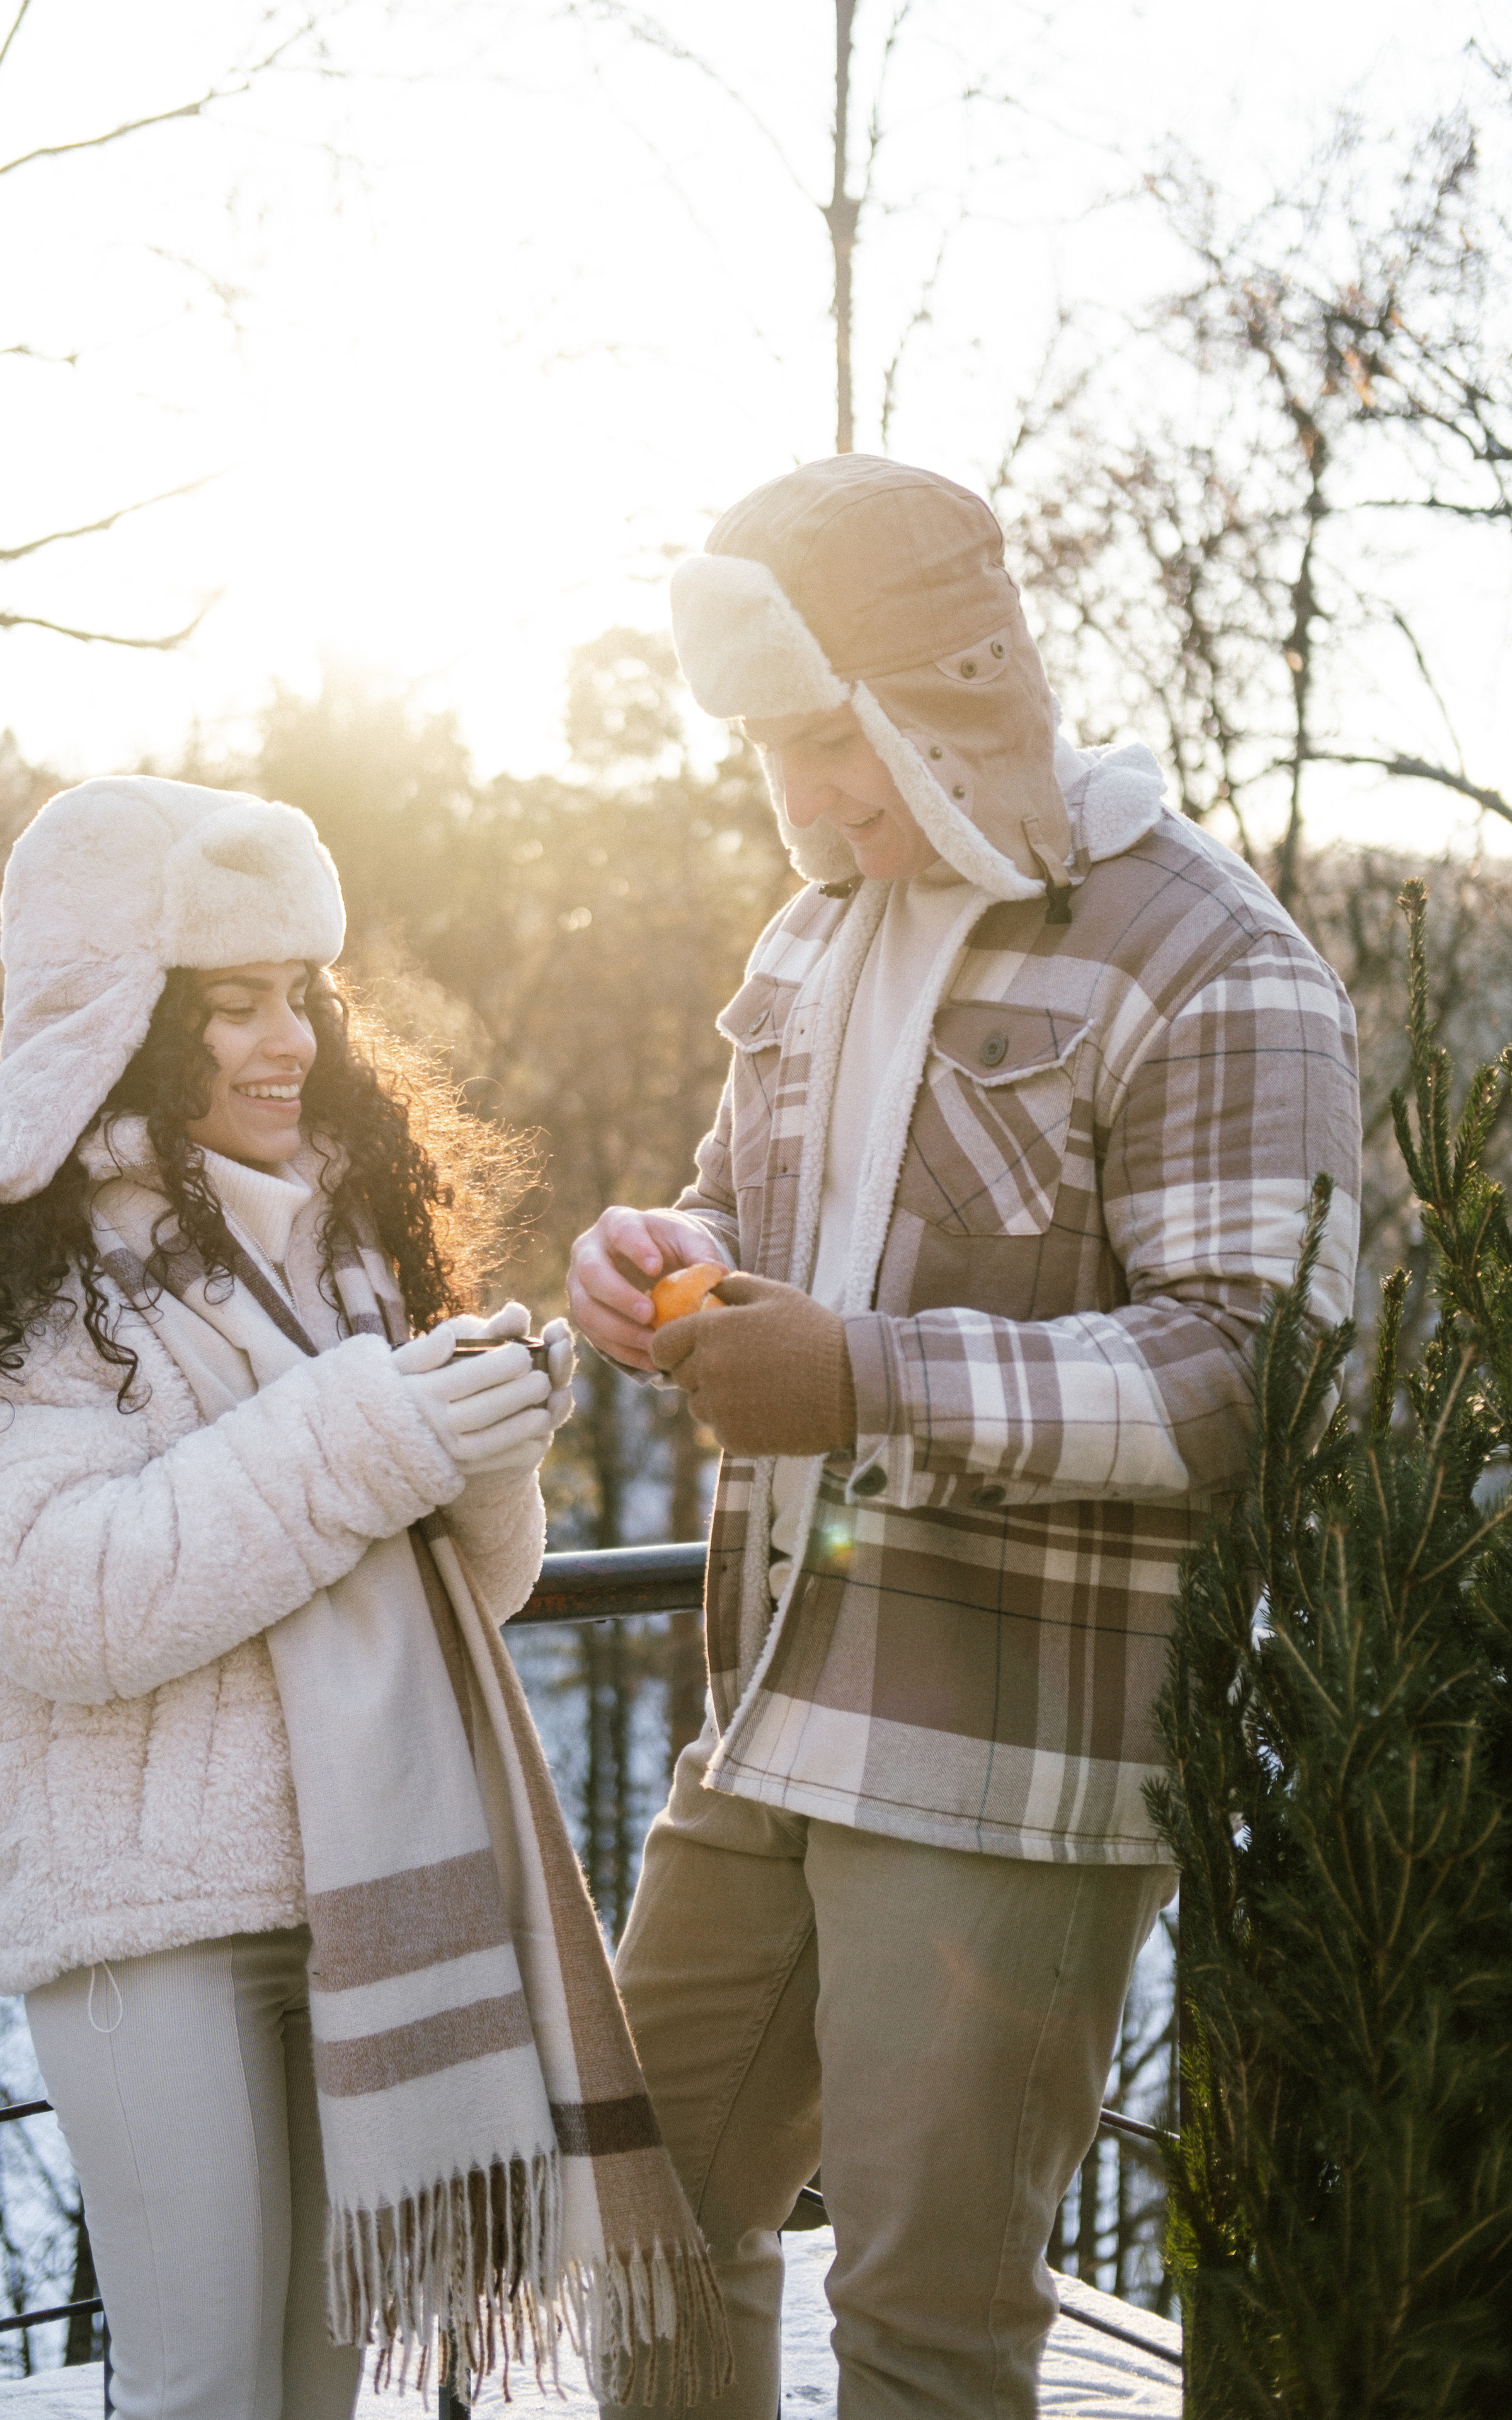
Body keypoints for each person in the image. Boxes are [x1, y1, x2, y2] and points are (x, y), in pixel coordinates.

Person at [568, 454, 1362, 2418]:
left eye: (846, 744)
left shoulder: (1213, 958)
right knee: (640, 2215)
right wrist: (667, 1261)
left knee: (925, 2325)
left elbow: (1251, 1374)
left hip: (1014, 1756)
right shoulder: (810, 939)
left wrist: (863, 1380)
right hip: (766, 1709)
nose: (816, 801)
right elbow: (768, 1223)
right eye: (776, 752)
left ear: (968, 695)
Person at [0, 776, 725, 2420]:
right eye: (232, 1003)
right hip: (143, 1909)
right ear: (125, 1016)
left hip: (356, 1894)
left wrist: (483, 1444)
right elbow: (52, 1602)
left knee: (325, 2380)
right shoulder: (18, 1277)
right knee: (205, 2382)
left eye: (303, 994)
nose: (289, 1040)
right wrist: (379, 1428)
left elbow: (473, 1590)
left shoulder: (346, 1242)